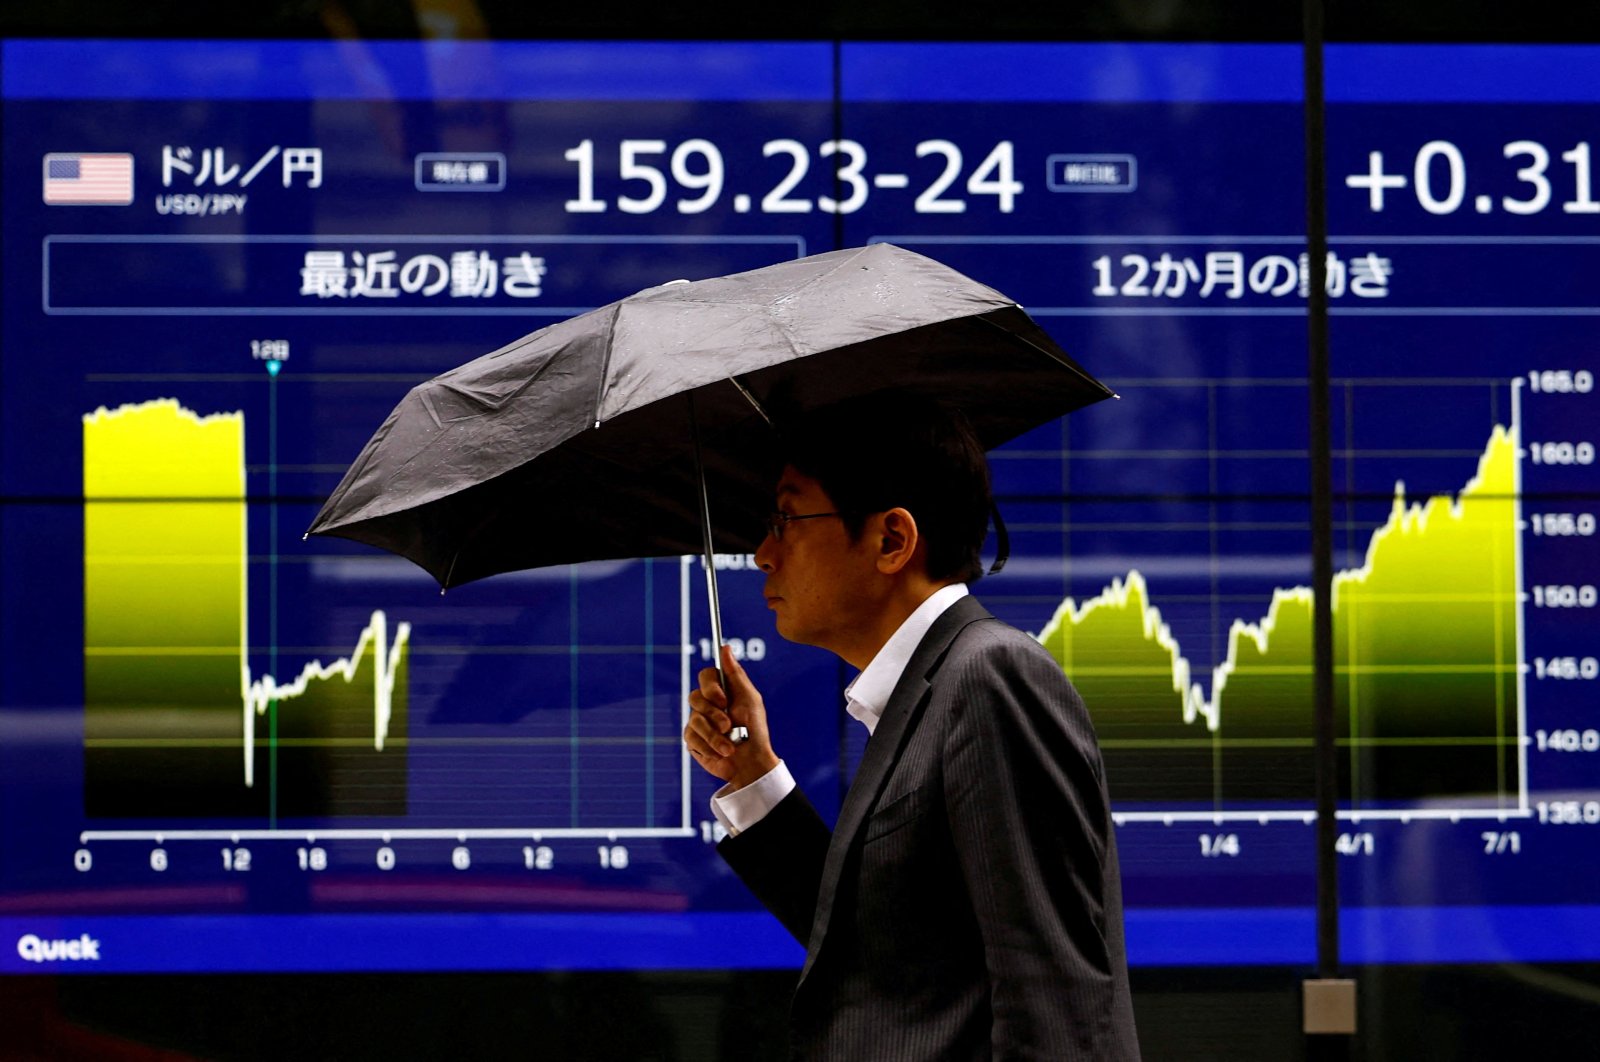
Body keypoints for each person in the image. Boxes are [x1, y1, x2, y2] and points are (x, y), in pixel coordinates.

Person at [683, 393, 1140, 1060]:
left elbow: (1053, 1001)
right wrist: (754, 779)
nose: (761, 553)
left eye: (786, 519)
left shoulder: (989, 678)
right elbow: (884, 961)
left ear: (891, 540)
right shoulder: (932, 690)